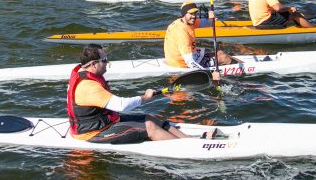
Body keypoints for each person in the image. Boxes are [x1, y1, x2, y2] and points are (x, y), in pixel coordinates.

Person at [67, 44, 210, 143]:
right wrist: (145, 97)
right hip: (92, 133)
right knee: (150, 126)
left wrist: (146, 97)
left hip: (105, 121)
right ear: (93, 64)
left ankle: (190, 141)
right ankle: (188, 148)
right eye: (104, 60)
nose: (107, 62)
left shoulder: (83, 71)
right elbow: (121, 105)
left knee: (151, 117)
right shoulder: (88, 86)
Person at [164, 2, 234, 80]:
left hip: (177, 59)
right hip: (183, 65)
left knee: (220, 53)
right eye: (191, 13)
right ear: (184, 14)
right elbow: (190, 62)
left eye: (195, 13)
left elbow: (208, 23)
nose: (194, 16)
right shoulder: (182, 33)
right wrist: (210, 75)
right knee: (224, 58)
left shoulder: (185, 21)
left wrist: (212, 18)